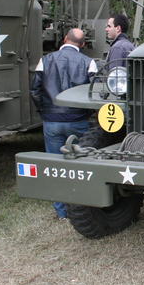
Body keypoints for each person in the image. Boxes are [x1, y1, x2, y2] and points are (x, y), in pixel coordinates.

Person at [30, 28, 97, 219]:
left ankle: (61, 211)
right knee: (82, 165)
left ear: (64, 39)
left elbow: (34, 90)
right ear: (82, 44)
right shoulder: (88, 62)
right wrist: (86, 112)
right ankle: (81, 205)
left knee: (55, 165)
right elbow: (95, 93)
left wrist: (44, 111)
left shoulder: (45, 60)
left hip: (51, 120)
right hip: (77, 120)